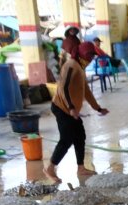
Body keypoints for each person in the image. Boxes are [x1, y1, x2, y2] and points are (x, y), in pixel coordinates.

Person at [45, 53, 109, 182]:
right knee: (66, 139)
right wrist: (71, 108)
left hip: (70, 110)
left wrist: (98, 108)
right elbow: (64, 88)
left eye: (91, 58)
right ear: (81, 56)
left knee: (80, 136)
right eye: (88, 58)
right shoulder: (71, 66)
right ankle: (50, 169)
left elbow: (86, 91)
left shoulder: (79, 68)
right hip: (62, 108)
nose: (90, 60)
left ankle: (81, 167)